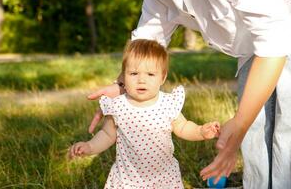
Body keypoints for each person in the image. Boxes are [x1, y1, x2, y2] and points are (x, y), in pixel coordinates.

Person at [87, 0, 291, 188]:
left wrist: (240, 122)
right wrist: (122, 85)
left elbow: (273, 42)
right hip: (254, 36)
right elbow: (149, 37)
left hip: (286, 17)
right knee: (254, 125)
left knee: (288, 121)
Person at [70, 39, 220, 188]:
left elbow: (183, 127)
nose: (141, 80)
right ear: (123, 76)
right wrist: (89, 147)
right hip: (128, 179)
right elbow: (107, 135)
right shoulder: (118, 106)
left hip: (163, 177)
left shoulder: (167, 103)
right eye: (134, 73)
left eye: (150, 74)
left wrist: (200, 131)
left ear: (162, 77)